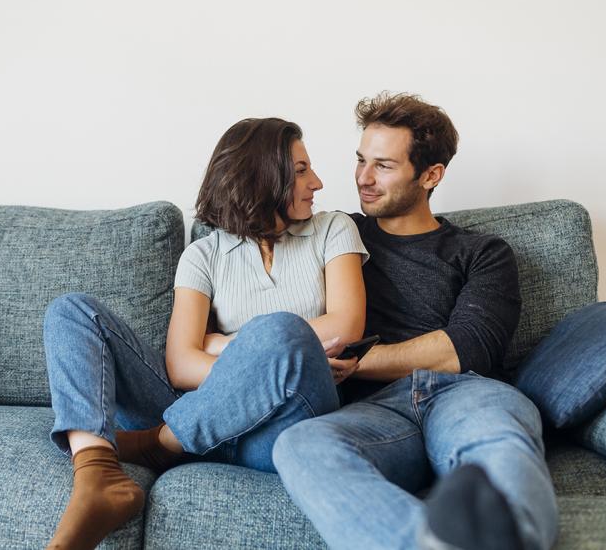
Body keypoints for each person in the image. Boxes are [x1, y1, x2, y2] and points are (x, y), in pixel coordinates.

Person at [43, 117, 369, 550]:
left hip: (279, 428)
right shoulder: (204, 254)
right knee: (71, 311)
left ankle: (160, 445)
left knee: (282, 331)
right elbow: (180, 365)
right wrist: (260, 355)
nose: (318, 182)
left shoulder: (333, 229)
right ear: (263, 175)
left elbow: (346, 324)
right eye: (302, 169)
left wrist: (229, 343)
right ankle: (96, 472)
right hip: (198, 407)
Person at [272, 93, 559, 550]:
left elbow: (466, 349)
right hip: (375, 414)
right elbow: (250, 220)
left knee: (498, 447)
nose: (363, 179)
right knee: (299, 445)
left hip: (465, 394)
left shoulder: (482, 252)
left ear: (431, 175)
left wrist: (357, 362)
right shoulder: (333, 235)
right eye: (360, 160)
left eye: (383, 166)